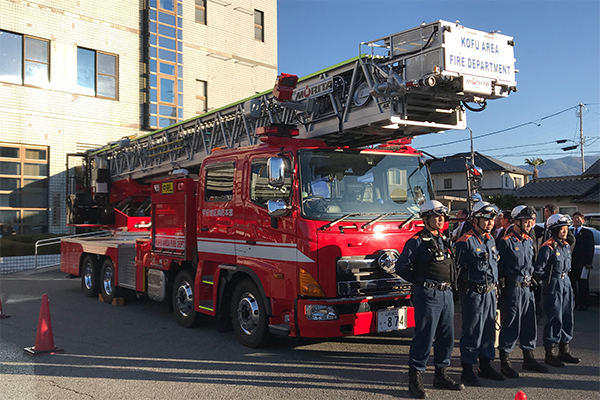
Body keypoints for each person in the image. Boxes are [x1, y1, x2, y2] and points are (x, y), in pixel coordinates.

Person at [397, 200, 464, 398]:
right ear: (425, 219)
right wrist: (419, 281)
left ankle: (441, 374)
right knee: (425, 336)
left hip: (446, 294)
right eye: (436, 216)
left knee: (447, 336)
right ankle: (415, 378)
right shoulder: (416, 241)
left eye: (443, 216)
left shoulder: (444, 239)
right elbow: (401, 266)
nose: (441, 219)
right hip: (428, 294)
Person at [496, 206, 549, 378]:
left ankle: (529, 357)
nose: (529, 224)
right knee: (511, 324)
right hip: (512, 289)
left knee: (529, 323)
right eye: (526, 221)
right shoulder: (505, 242)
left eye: (531, 221)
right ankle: (505, 361)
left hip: (527, 289)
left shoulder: (528, 241)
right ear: (516, 221)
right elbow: (499, 268)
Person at [456, 201, 504, 386]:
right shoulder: (465, 241)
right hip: (473, 293)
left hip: (490, 292)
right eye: (485, 219)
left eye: (492, 219)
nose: (490, 222)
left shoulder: (491, 239)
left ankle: (486, 365)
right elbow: (457, 269)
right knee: (472, 330)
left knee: (489, 330)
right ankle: (467, 369)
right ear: (475, 219)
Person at [534, 214, 580, 367]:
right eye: (562, 229)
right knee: (555, 317)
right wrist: (546, 283)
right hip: (553, 283)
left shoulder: (566, 246)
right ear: (554, 230)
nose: (565, 232)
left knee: (567, 315)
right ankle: (550, 352)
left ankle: (564, 349)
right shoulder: (548, 246)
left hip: (566, 281)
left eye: (566, 229)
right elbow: (539, 269)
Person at [569, 212, 594, 311]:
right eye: (574, 218)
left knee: (583, 284)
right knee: (572, 284)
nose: (576, 220)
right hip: (571, 263)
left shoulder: (587, 233)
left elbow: (590, 249)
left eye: (578, 219)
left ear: (583, 221)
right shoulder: (569, 232)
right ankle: (574, 303)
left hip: (583, 263)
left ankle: (584, 304)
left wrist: (588, 263)